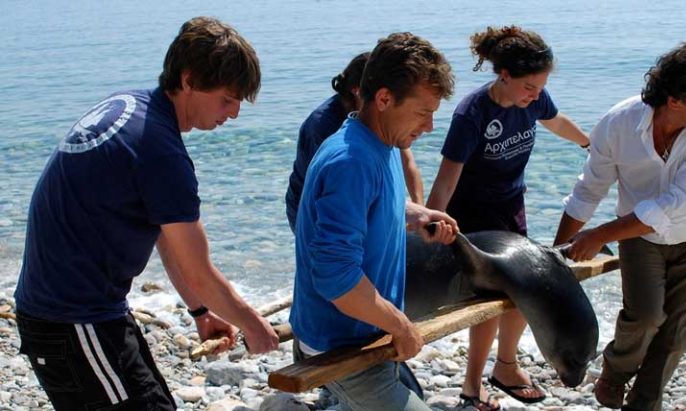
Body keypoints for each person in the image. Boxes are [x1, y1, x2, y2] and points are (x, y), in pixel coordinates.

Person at [13, 17, 279, 410]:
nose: (235, 113)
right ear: (189, 80)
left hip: (87, 311)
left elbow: (165, 237)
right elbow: (200, 271)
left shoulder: (134, 107)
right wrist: (255, 328)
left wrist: (202, 311)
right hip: (70, 320)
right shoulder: (160, 152)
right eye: (227, 98)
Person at [553, 40, 686, 411]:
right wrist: (556, 258)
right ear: (674, 101)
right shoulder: (618, 123)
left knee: (674, 337)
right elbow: (589, 188)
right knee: (645, 317)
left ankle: (643, 405)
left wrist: (598, 235)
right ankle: (616, 371)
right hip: (638, 235)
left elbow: (675, 206)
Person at [289, 32, 457, 411]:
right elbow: (337, 278)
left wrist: (416, 214)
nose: (430, 126)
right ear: (384, 99)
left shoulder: (378, 143)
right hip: (340, 346)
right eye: (424, 112)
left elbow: (376, 204)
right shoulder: (351, 161)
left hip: (364, 333)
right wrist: (402, 326)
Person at [425, 25, 589, 409]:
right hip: (475, 217)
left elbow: (556, 120)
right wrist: (431, 221)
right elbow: (448, 177)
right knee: (491, 300)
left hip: (511, 205)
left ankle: (506, 366)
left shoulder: (532, 100)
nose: (536, 95)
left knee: (524, 291)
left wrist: (588, 142)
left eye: (541, 87)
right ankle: (471, 386)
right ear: (504, 76)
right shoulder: (472, 113)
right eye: (530, 87)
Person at [285, 52, 425, 233]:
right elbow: (330, 194)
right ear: (357, 90)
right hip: (308, 209)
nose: (383, 103)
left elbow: (408, 162)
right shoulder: (323, 127)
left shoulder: (380, 119)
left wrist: (420, 209)